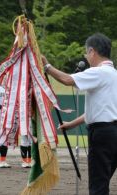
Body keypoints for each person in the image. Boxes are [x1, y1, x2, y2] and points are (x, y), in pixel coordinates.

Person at [43, 33, 117, 195]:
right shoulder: (114, 74)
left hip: (102, 133)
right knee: (104, 178)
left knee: (98, 184)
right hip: (113, 132)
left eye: (86, 52)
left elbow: (67, 80)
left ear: (92, 51)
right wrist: (71, 124)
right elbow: (100, 110)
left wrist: (47, 66)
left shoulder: (100, 72)